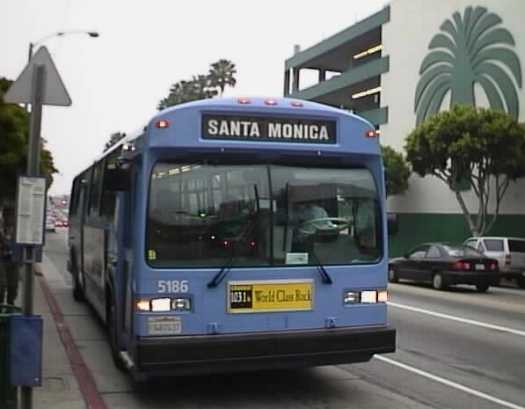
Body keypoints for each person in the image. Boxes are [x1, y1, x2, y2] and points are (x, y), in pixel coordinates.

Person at [0, 207, 20, 305]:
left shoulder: (17, 229)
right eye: (7, 215)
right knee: (2, 285)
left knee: (13, 285)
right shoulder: (1, 227)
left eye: (11, 215)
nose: (9, 218)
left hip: (13, 260)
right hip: (2, 259)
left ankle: (10, 304)